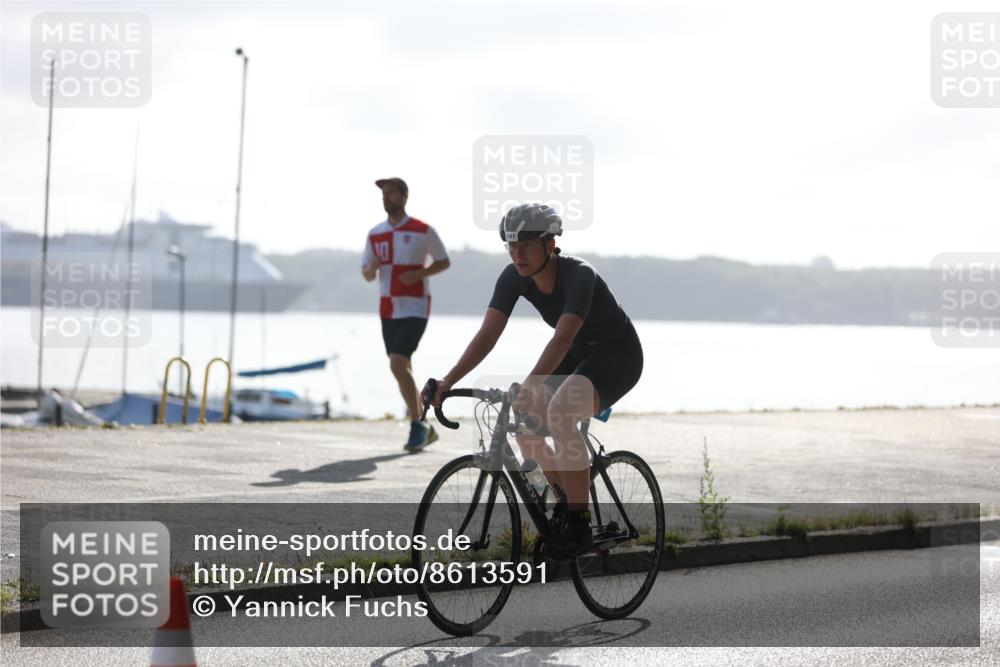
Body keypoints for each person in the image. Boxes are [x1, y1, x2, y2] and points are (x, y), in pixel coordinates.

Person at [427, 203, 643, 555]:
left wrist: (531, 384)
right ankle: (563, 500)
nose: (517, 254)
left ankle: (578, 524)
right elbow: (488, 334)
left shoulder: (579, 275)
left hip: (617, 356)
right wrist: (448, 380)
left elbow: (562, 339)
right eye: (511, 246)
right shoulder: (513, 277)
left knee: (560, 412)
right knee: (526, 423)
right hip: (577, 355)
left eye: (526, 245)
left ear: (550, 245)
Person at [362, 177, 450, 451]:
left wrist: (419, 273)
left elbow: (444, 261)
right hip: (388, 308)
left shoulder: (422, 230)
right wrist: (373, 268)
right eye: (383, 194)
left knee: (397, 364)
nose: (386, 198)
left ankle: (417, 425)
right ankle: (425, 426)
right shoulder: (375, 233)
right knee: (403, 368)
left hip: (415, 307)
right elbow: (366, 274)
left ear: (404, 196)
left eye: (391, 193)